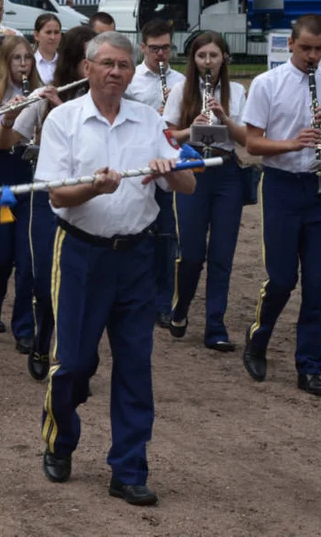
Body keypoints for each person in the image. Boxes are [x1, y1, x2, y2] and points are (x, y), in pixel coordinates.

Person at [36, 31, 196, 506]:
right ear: (87, 68)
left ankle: (128, 468)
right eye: (106, 63)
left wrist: (172, 170)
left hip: (138, 258)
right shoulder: (63, 120)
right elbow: (56, 195)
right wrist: (93, 190)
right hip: (82, 254)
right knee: (73, 364)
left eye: (123, 65)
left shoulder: (149, 120)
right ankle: (60, 440)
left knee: (134, 366)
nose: (115, 73)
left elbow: (185, 185)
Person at [240, 13, 321, 396]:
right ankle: (257, 340)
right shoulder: (266, 84)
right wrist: (293, 142)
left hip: (319, 188)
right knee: (283, 278)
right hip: (281, 186)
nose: (313, 56)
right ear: (290, 44)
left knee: (317, 285)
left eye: (319, 49)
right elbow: (253, 143)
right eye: (306, 48)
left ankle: (310, 367)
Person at [0, 25, 94, 380]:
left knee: (82, 278)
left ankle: (73, 353)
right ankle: (42, 337)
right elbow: (8, 139)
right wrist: (10, 116)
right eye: (88, 58)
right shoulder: (48, 94)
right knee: (42, 277)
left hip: (91, 194)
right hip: (45, 190)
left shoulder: (110, 98)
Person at [162, 32, 248, 351]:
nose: (208, 62)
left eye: (213, 55)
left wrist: (224, 117)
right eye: (201, 56)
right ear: (193, 60)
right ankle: (182, 306)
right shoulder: (181, 91)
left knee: (222, 254)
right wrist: (191, 128)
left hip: (226, 172)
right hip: (193, 169)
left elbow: (245, 139)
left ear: (224, 57)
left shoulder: (237, 91)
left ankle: (216, 324)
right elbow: (166, 135)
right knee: (193, 253)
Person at [0, 35, 43, 351]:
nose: (23, 64)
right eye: (16, 58)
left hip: (29, 176)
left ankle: (24, 327)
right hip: (1, 179)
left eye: (27, 58)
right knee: (0, 255)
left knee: (28, 259)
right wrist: (11, 134)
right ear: (5, 62)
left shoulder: (40, 92)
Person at [123, 19, 184, 328]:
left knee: (165, 235)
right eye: (155, 48)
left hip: (165, 163)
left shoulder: (181, 80)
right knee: (135, 233)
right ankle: (136, 294)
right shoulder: (130, 80)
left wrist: (171, 116)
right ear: (143, 47)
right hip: (134, 164)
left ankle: (163, 302)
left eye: (166, 48)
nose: (162, 54)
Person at [32, 14, 62, 86]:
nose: (53, 37)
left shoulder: (66, 62)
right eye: (48, 32)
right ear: (36, 35)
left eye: (56, 32)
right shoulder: (29, 62)